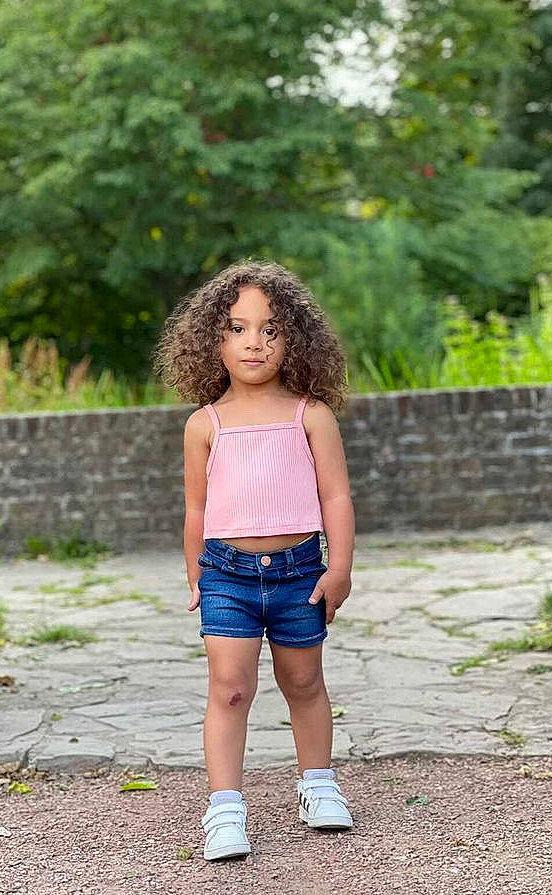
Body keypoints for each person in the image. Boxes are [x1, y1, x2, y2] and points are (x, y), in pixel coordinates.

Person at [153, 258, 354, 861]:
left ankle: (318, 784)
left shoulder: (309, 415)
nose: (254, 342)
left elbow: (336, 496)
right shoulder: (204, 425)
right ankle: (224, 809)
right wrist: (197, 573)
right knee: (231, 688)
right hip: (227, 578)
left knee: (304, 681)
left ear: (294, 339)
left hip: (299, 573)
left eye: (270, 329)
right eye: (237, 328)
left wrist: (338, 567)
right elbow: (195, 509)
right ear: (211, 339)